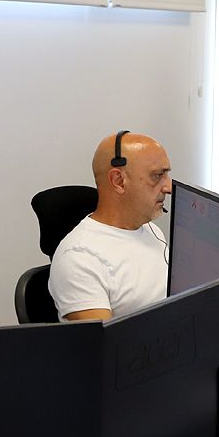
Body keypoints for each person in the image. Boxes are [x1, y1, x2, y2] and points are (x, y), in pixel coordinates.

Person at [48, 131, 172, 322]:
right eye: (157, 176)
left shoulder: (152, 231)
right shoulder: (79, 259)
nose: (168, 187)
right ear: (119, 181)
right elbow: (106, 348)